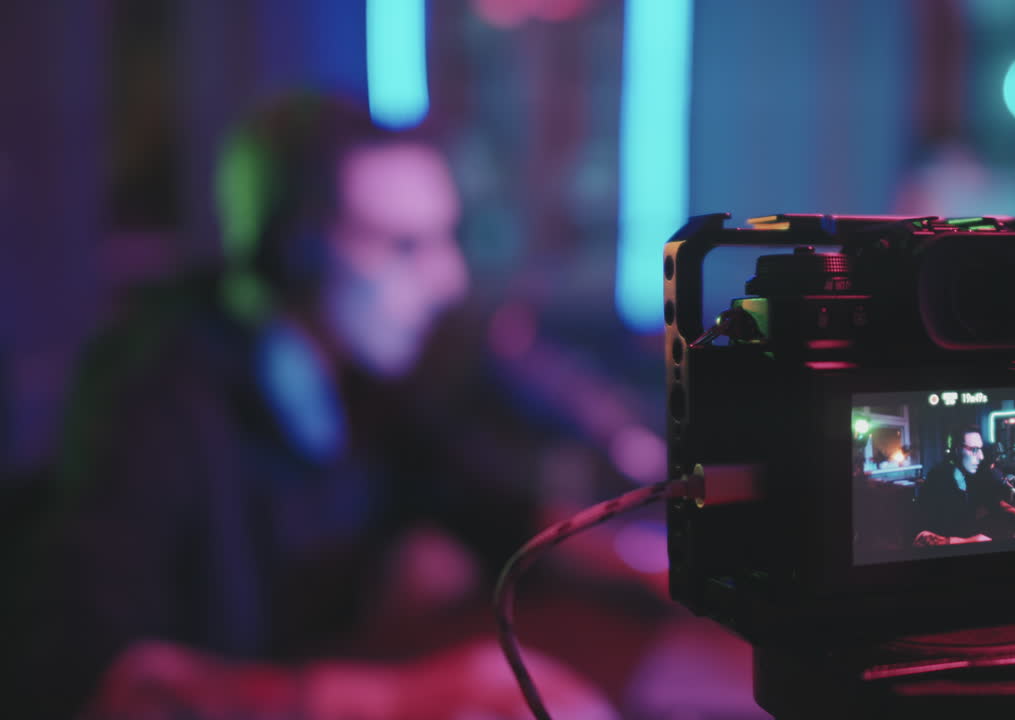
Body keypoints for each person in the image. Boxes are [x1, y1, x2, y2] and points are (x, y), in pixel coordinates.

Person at [13, 95, 617, 720]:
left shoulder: (372, 379)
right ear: (292, 252)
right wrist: (400, 700)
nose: (449, 280)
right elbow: (97, 677)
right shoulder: (151, 390)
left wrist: (668, 571)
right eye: (405, 246)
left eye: (447, 239)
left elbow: (507, 520)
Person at [914, 426, 1015, 547]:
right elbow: (920, 536)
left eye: (980, 449)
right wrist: (966, 541)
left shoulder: (972, 475)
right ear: (957, 450)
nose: (981, 456)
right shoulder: (938, 478)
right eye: (974, 450)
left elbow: (992, 501)